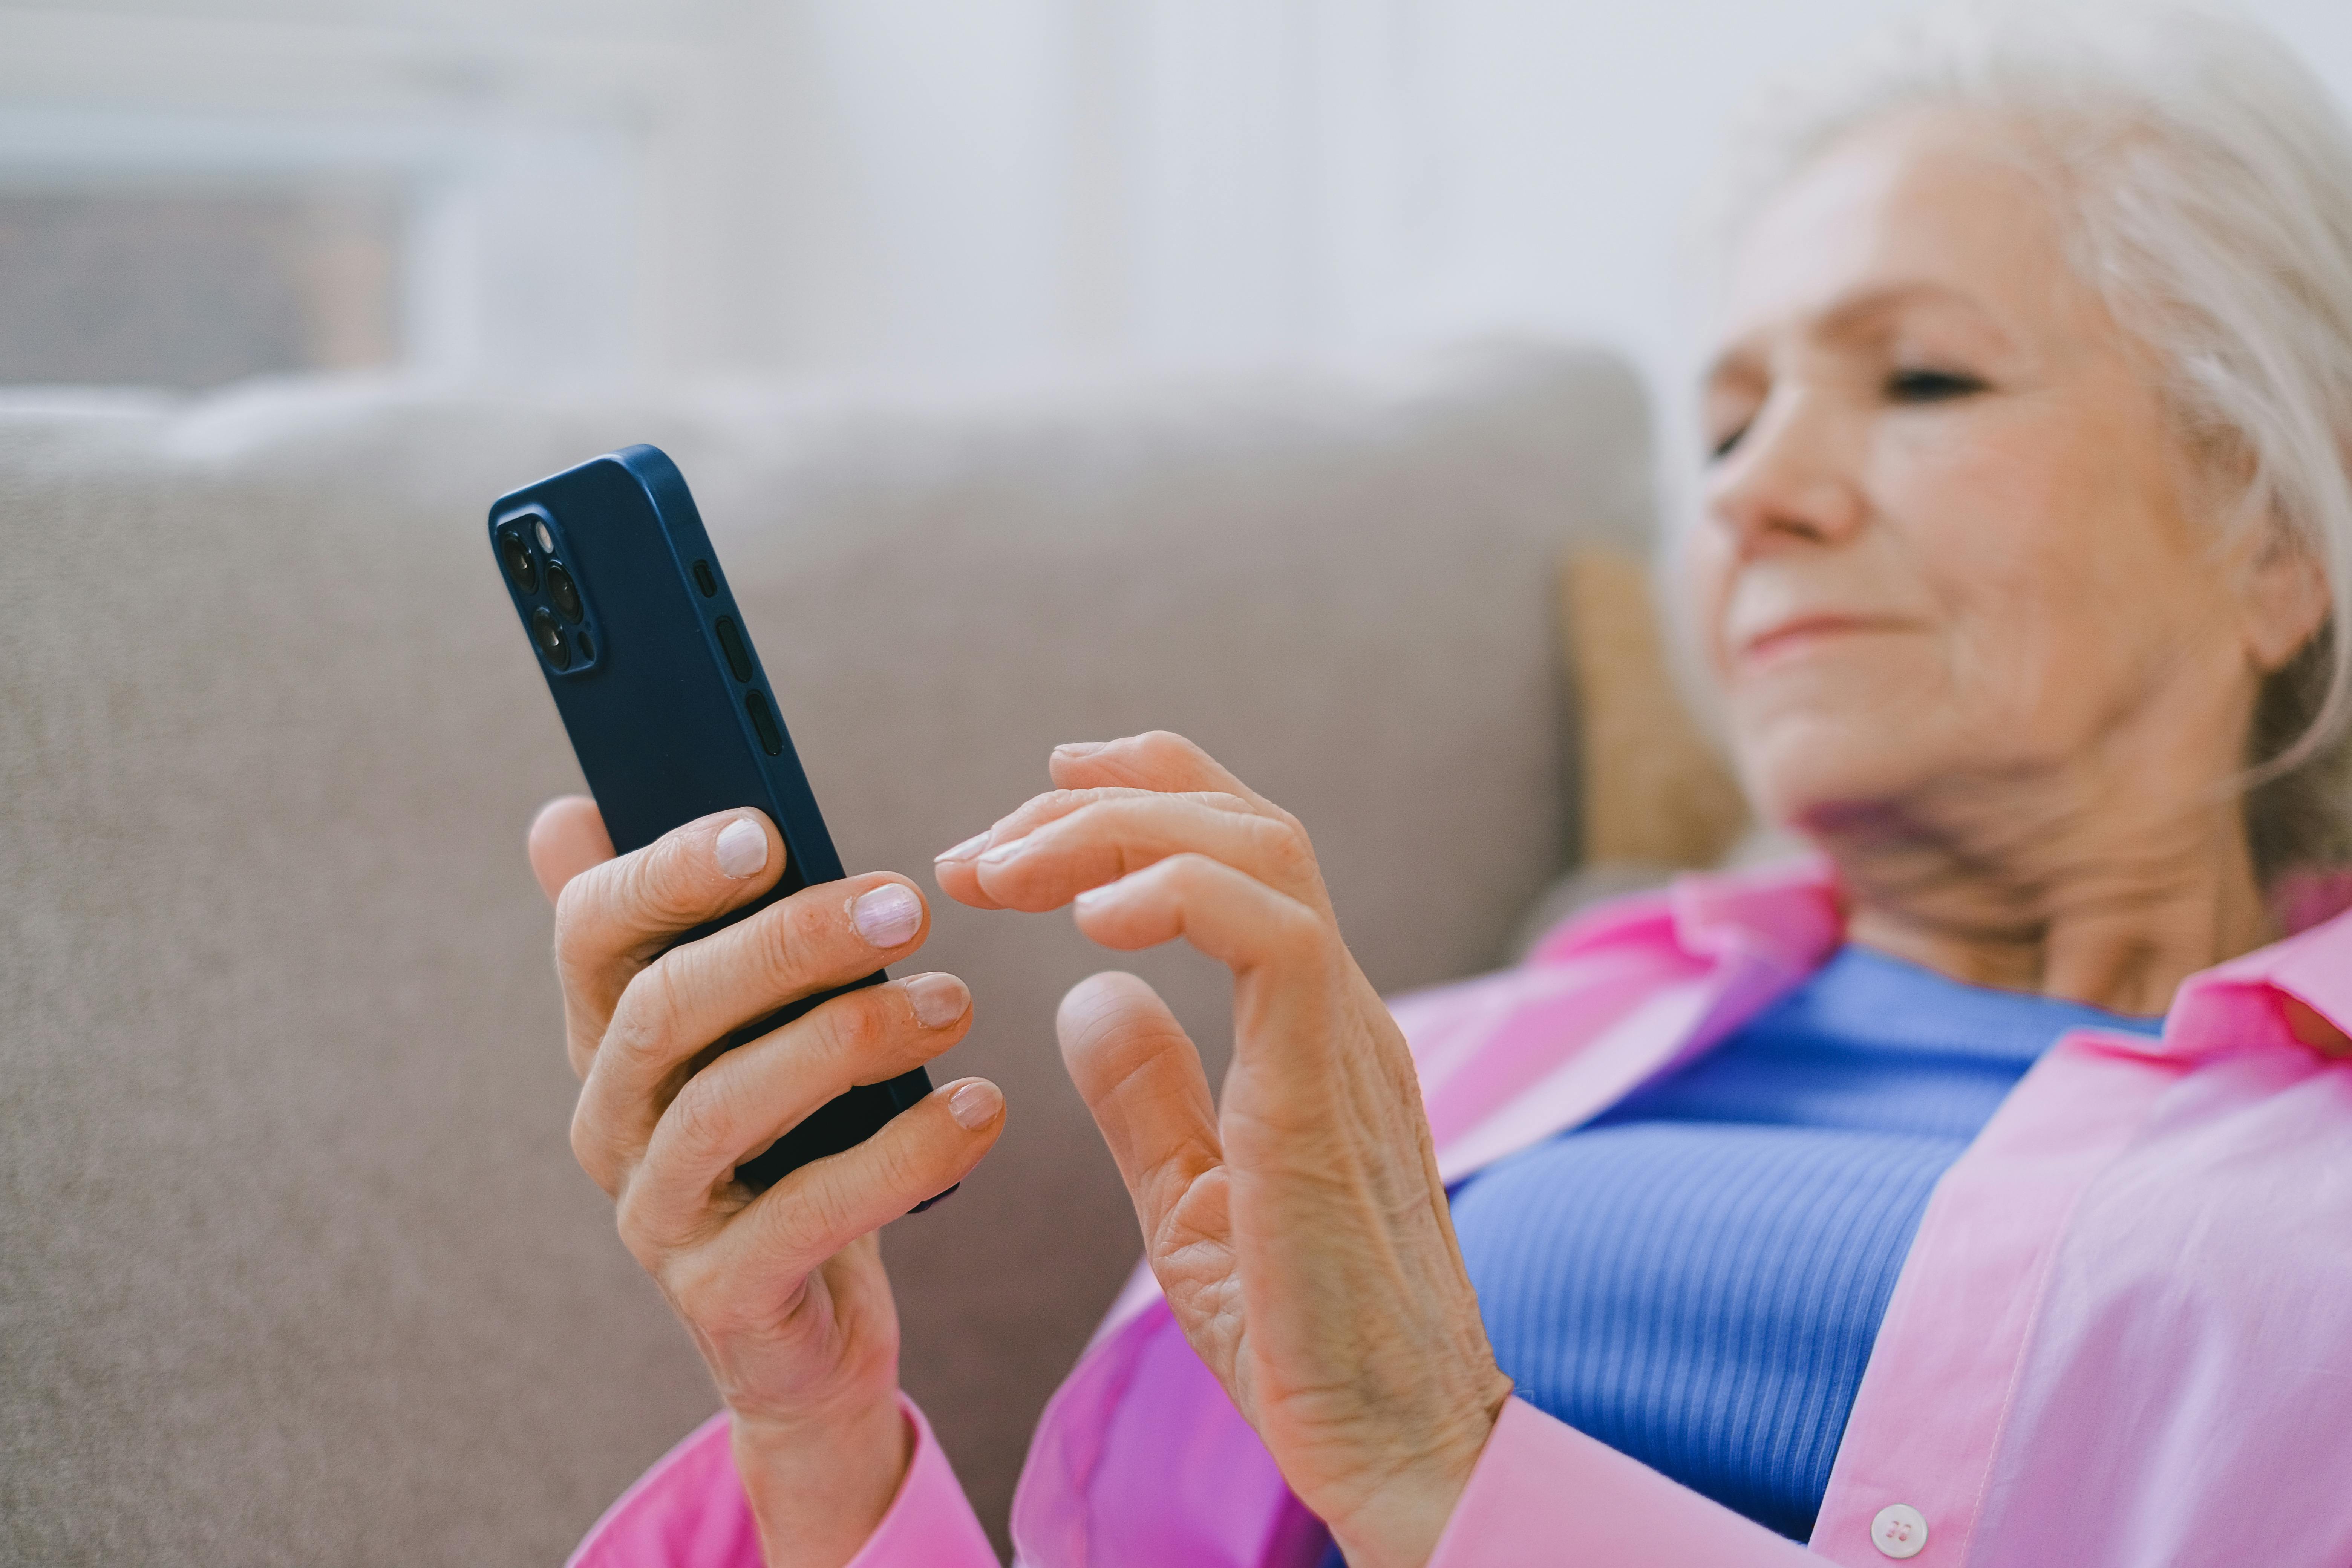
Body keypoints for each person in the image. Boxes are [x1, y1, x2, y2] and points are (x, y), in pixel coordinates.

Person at [527, 6, 2352, 1565]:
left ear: (2272, 530)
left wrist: (1452, 1469)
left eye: (1924, 375)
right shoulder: (1451, 1067)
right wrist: (822, 1445)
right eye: (1722, 426)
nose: (1748, 492)